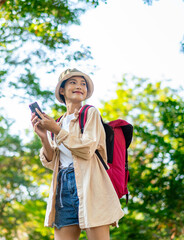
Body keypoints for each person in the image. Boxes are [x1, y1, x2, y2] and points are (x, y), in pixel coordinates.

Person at [31, 68, 124, 240]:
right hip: (62, 188)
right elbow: (52, 163)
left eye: (83, 84)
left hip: (91, 184)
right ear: (61, 90)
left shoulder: (89, 113)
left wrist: (57, 130)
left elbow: (87, 149)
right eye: (73, 82)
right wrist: (44, 136)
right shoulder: (57, 122)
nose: (79, 86)